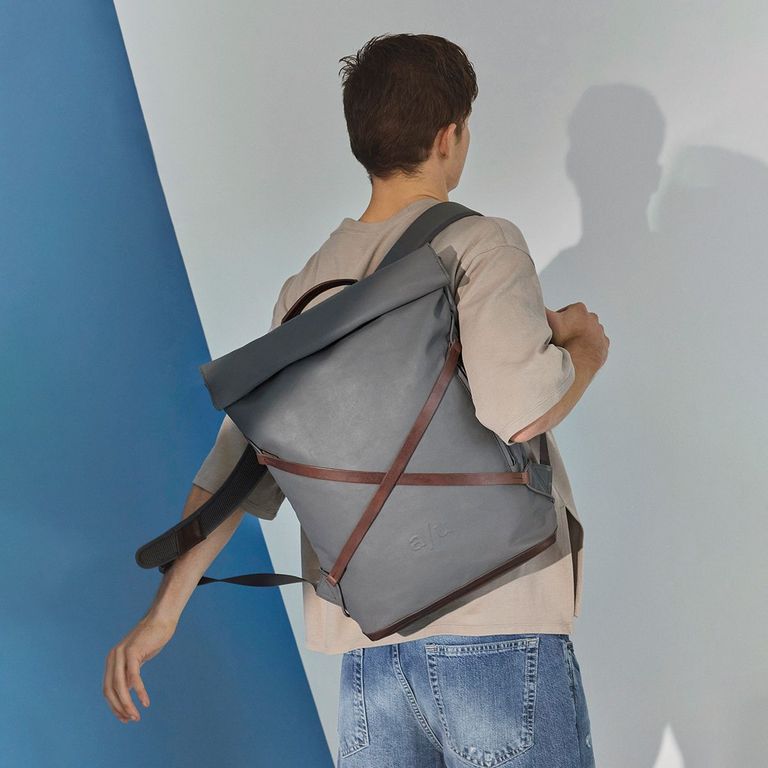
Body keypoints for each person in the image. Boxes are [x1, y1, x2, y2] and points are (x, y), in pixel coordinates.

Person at [104, 32, 608, 768]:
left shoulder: (307, 286)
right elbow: (521, 409)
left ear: (362, 141)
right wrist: (583, 350)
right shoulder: (481, 244)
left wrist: (164, 613)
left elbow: (237, 470)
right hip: (497, 628)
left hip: (373, 657)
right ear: (450, 136)